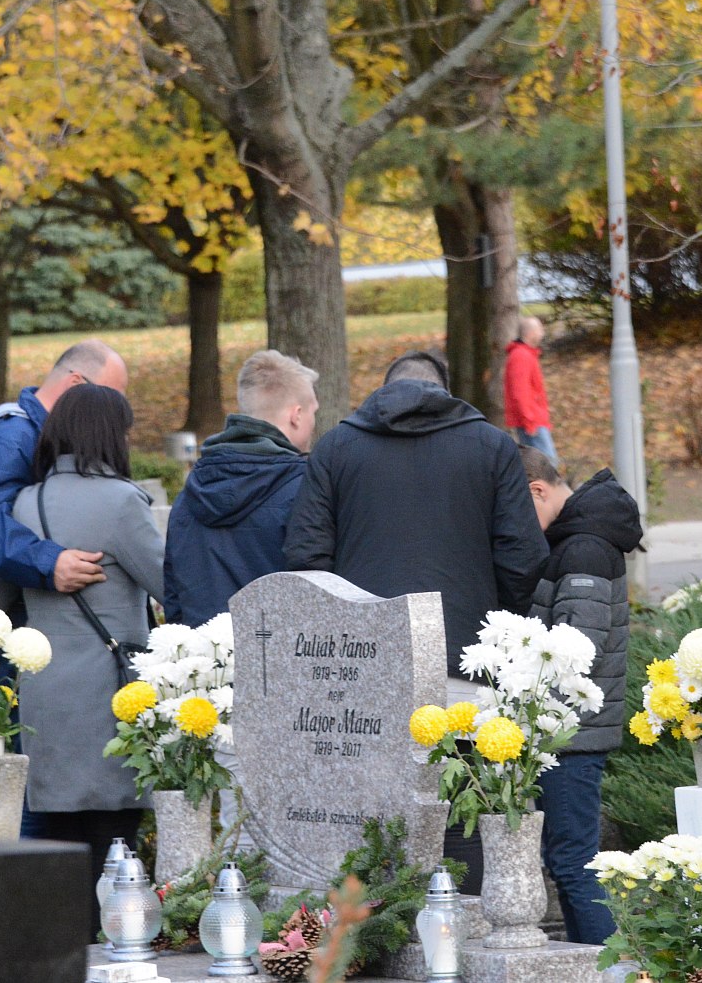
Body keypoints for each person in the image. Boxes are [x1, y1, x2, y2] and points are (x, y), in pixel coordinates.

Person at [284, 350, 548, 893]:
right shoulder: (492, 446)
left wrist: (352, 632)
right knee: (466, 805)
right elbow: (523, 556)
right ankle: (464, 934)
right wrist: (492, 623)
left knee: (374, 817)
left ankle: (376, 940)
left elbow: (307, 558)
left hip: (365, 672)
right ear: (446, 393)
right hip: (466, 665)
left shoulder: (336, 446)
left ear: (383, 392)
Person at [3, 384, 164, 931]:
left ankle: (52, 949)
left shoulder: (26, 502)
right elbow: (172, 582)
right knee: (114, 839)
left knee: (55, 841)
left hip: (44, 697)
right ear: (110, 435)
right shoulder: (122, 501)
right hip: (108, 695)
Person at [518, 446, 641, 945]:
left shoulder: (584, 548)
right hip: (567, 730)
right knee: (566, 861)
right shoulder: (577, 540)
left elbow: (577, 648)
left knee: (573, 863)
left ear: (537, 491)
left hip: (573, 734)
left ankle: (609, 967)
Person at [0, 340, 129, 596]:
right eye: (108, 397)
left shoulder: (54, 435)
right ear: (75, 384)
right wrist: (50, 563)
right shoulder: (9, 440)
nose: (114, 413)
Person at [163, 350, 319, 627]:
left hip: (206, 661)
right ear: (296, 415)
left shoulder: (190, 491)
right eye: (312, 413)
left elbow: (175, 597)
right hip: (283, 658)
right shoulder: (307, 487)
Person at [504, 316, 558, 466]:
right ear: (530, 333)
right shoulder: (521, 356)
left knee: (542, 465)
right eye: (540, 329)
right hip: (532, 421)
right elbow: (519, 393)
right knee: (547, 465)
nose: (542, 333)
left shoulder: (525, 354)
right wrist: (529, 422)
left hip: (534, 419)